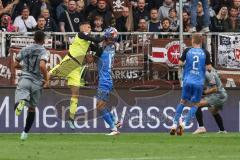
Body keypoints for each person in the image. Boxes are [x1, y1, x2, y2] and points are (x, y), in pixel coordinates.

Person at [49, 22, 104, 129]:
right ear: (83, 27)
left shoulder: (87, 42)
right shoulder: (80, 34)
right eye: (88, 26)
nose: (90, 28)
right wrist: (105, 35)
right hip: (69, 62)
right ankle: (25, 99)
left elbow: (97, 49)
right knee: (47, 78)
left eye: (90, 27)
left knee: (75, 94)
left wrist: (104, 45)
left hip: (76, 68)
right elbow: (96, 40)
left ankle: (71, 119)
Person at [170, 33, 212, 136]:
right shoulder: (205, 52)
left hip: (188, 80)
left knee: (183, 102)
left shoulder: (187, 51)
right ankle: (183, 125)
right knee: (196, 104)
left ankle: (174, 125)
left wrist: (186, 65)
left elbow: (179, 64)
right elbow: (209, 68)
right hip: (198, 82)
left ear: (192, 41)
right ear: (201, 41)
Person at [14, 31, 49, 140]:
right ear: (43, 40)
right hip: (37, 82)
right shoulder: (44, 51)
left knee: (18, 103)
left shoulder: (26, 49)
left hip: (25, 79)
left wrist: (24, 68)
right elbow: (42, 65)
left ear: (34, 39)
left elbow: (15, 64)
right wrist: (47, 79)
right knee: (32, 109)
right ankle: (25, 133)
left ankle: (21, 103)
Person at [95, 27, 121, 135]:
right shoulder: (112, 48)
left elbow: (94, 56)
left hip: (104, 81)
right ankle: (115, 121)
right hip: (107, 79)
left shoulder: (103, 51)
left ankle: (113, 129)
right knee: (102, 105)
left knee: (100, 106)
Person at [193, 68, 228, 134]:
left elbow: (214, 89)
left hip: (218, 95)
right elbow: (209, 86)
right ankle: (222, 130)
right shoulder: (209, 72)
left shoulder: (208, 74)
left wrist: (204, 93)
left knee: (197, 104)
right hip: (223, 95)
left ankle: (201, 128)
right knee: (214, 111)